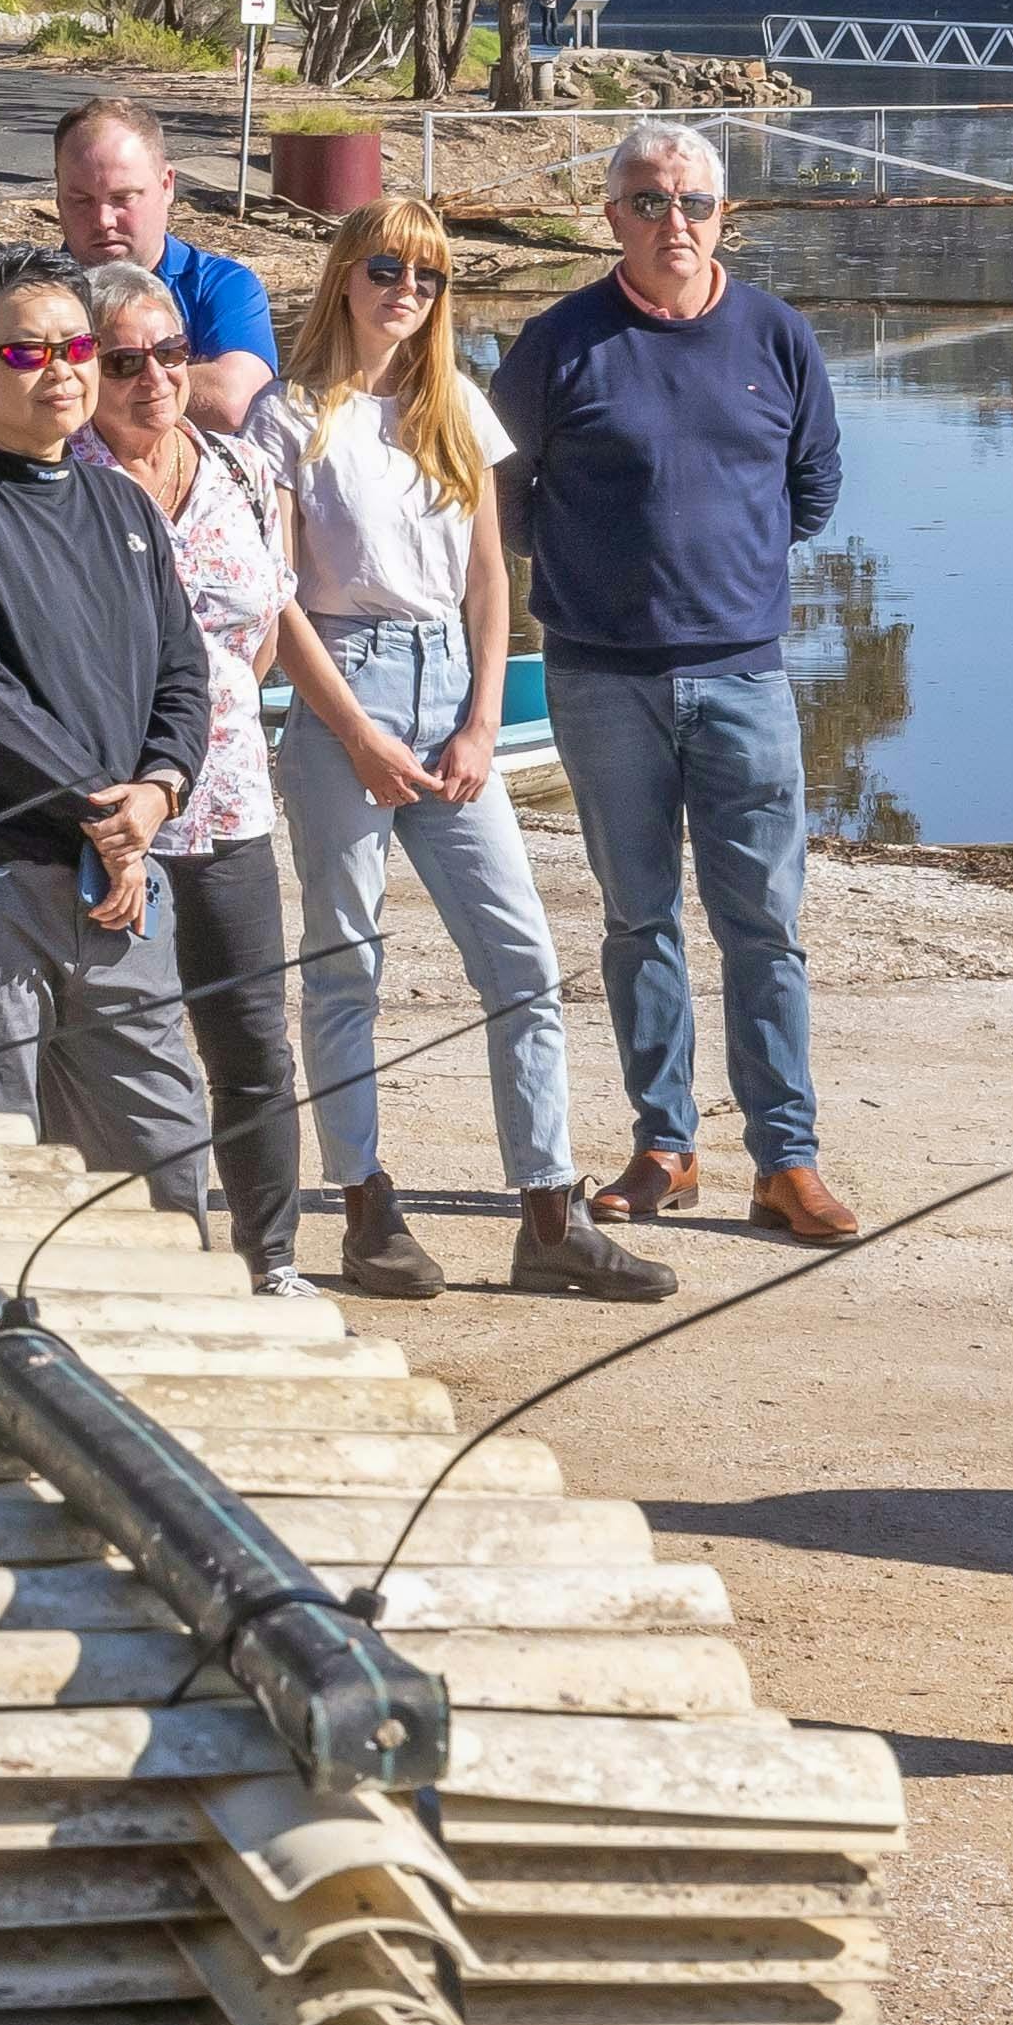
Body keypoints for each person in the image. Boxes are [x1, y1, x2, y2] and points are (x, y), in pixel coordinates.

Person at [268, 205, 654, 1305]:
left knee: (522, 960)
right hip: (346, 681)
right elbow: (277, 596)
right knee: (345, 957)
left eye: (429, 277)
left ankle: (547, 1212)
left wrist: (485, 718)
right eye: (386, 268)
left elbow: (491, 578)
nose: (406, 290)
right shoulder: (289, 415)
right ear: (345, 274)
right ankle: (363, 1207)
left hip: (450, 689)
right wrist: (353, 732)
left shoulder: (454, 407)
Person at [501, 121, 856, 1245]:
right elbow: (498, 498)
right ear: (610, 217)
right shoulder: (557, 342)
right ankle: (664, 1145)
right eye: (648, 202)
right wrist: (590, 580)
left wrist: (726, 584)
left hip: (742, 677)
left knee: (763, 926)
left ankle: (784, 1161)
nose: (673, 224)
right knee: (637, 918)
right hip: (601, 679)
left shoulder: (776, 335)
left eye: (692, 203)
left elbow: (811, 488)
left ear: (723, 216)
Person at [0, 235, 216, 1213]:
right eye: (25, 351)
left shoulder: (121, 503)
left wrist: (157, 790)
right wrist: (104, 808)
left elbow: (183, 672)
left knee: (163, 1166)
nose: (58, 371)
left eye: (74, 348)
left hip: (115, 876)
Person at [79, 256, 329, 1293]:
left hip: (226, 802)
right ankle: (146, 1261)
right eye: (123, 360)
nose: (153, 378)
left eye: (169, 352)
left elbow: (262, 630)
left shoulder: (240, 469)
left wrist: (218, 718)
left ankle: (269, 1262)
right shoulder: (65, 485)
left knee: (252, 1046)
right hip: (111, 813)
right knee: (129, 1055)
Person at [51, 98, 276, 433]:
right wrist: (173, 381)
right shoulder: (27, 298)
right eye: (81, 200)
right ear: (57, 191)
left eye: (123, 198)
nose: (103, 220)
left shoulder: (221, 287)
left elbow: (233, 403)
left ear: (167, 185)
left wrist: (55, 388)